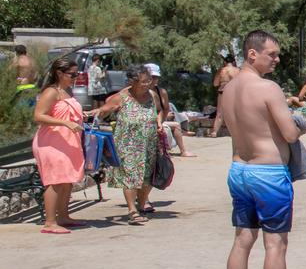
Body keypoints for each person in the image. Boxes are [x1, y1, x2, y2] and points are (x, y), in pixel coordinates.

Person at [213, 30, 304, 269]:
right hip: (268, 173)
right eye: (272, 54)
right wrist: (300, 122)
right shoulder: (268, 88)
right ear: (252, 54)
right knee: (275, 244)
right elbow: (289, 135)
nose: (277, 59)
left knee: (242, 240)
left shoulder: (227, 90)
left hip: (239, 170)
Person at [89, 65, 164, 224]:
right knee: (130, 176)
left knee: (146, 177)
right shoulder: (121, 97)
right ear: (132, 81)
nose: (146, 84)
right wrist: (97, 113)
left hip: (149, 144)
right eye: (143, 81)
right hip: (128, 144)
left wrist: (159, 123)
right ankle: (132, 210)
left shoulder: (152, 95)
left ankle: (142, 205)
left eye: (148, 80)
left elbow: (159, 110)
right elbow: (103, 112)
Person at [31, 57, 85, 235]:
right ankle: (50, 222)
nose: (75, 77)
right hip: (51, 143)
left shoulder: (67, 90)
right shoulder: (51, 92)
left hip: (67, 142)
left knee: (67, 180)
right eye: (72, 74)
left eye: (77, 73)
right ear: (59, 73)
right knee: (54, 181)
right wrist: (65, 123)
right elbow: (39, 116)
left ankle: (63, 216)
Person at [147, 63, 197, 157]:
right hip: (145, 121)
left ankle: (183, 151)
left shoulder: (161, 92)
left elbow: (164, 109)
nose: (154, 80)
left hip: (158, 120)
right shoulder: (138, 92)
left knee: (175, 124)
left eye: (156, 77)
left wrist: (161, 120)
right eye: (151, 77)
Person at [212, 56, 238, 135]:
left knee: (219, 114)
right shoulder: (237, 70)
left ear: (225, 62)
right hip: (233, 92)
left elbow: (215, 83)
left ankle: (214, 132)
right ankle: (235, 132)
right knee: (234, 112)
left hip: (222, 92)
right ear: (233, 62)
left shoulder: (221, 70)